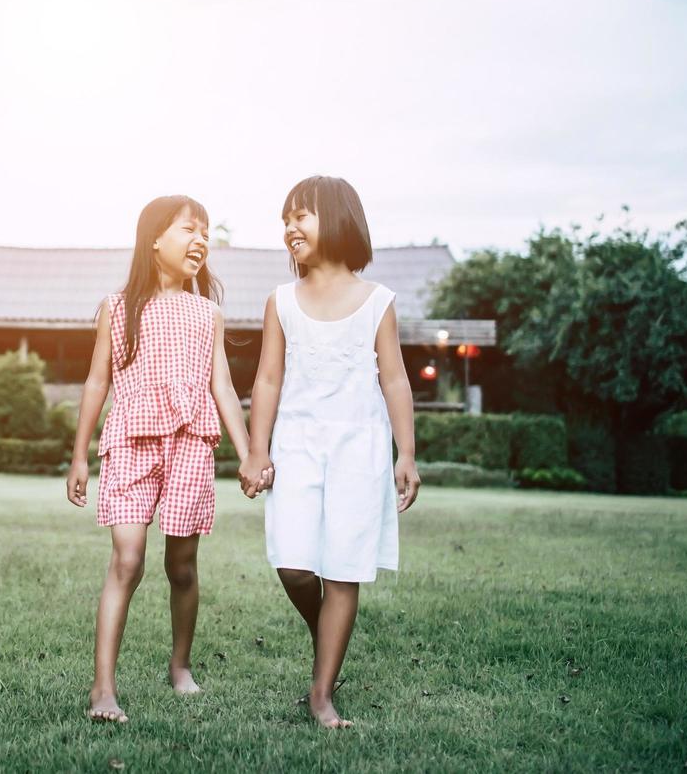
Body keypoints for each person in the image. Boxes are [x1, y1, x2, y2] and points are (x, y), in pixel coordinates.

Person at [65, 194, 262, 723]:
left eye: (205, 233)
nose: (200, 240)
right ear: (155, 238)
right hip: (130, 441)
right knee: (127, 559)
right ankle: (102, 688)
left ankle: (180, 665)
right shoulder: (117, 305)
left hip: (189, 444)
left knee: (182, 565)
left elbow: (222, 383)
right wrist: (79, 456)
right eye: (188, 230)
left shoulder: (208, 313)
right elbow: (96, 381)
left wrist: (248, 454)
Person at [238, 174, 421, 729]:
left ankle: (322, 692)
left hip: (358, 451)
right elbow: (267, 380)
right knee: (294, 566)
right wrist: (256, 451)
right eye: (286, 218)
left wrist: (406, 453)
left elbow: (395, 380)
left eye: (303, 215)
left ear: (339, 218)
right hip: (295, 448)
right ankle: (329, 639)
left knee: (342, 570)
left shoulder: (377, 301)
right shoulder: (281, 300)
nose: (291, 226)